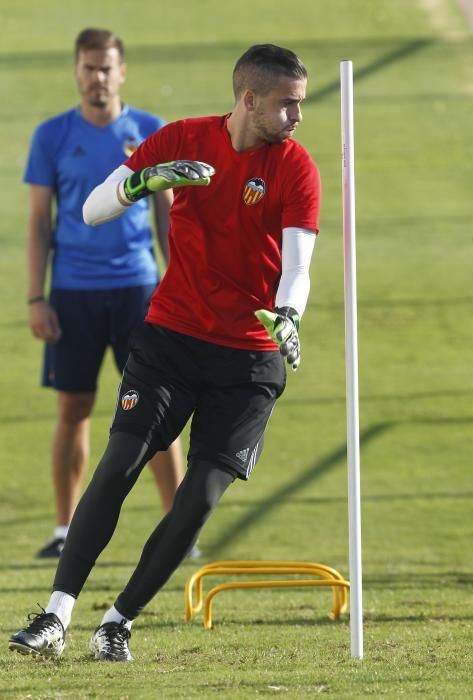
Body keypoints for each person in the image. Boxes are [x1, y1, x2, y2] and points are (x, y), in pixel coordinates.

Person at [9, 42, 321, 663]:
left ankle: (118, 621)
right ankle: (55, 616)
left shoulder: (295, 166)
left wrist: (288, 316)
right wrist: (147, 181)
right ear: (248, 99)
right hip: (171, 339)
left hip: (250, 359)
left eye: (302, 105)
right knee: (120, 462)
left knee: (199, 498)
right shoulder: (180, 138)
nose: (296, 118)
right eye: (287, 105)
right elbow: (93, 209)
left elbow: (299, 265)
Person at [23, 28, 189, 559]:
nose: (98, 77)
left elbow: (170, 219)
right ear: (77, 71)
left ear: (122, 72)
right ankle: (64, 528)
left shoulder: (148, 130)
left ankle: (178, 528)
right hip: (73, 291)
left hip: (140, 288)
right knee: (75, 406)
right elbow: (38, 223)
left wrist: (177, 283)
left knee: (158, 408)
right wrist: (35, 297)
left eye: (106, 68)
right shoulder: (51, 136)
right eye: (89, 67)